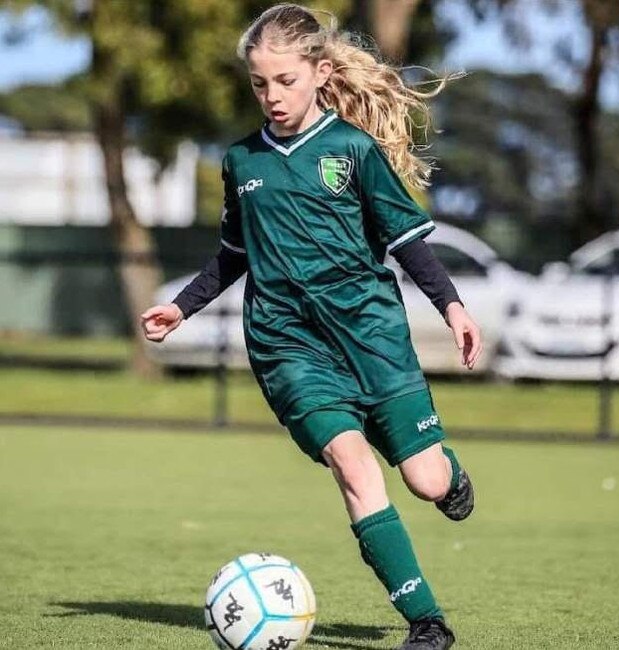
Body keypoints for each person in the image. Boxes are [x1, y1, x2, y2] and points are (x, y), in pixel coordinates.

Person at [141, 5, 481, 649]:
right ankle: (428, 622)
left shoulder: (352, 150)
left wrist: (453, 305)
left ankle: (449, 471)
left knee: (427, 481)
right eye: (259, 83)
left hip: (371, 336)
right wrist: (182, 306)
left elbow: (407, 240)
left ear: (321, 72)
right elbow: (235, 255)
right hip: (287, 344)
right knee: (352, 465)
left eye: (285, 81)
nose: (271, 96)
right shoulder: (241, 161)